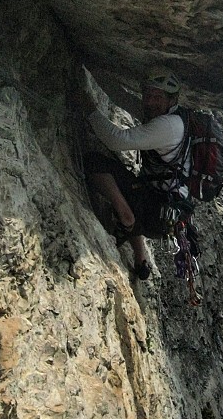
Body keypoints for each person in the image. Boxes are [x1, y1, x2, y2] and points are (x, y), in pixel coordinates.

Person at [80, 67, 191, 280]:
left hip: (157, 212)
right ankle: (140, 258)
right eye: (147, 95)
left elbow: (116, 140)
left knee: (95, 162)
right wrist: (90, 64)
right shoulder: (171, 115)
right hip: (166, 211)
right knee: (136, 186)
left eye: (157, 97)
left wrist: (89, 108)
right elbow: (120, 97)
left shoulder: (167, 126)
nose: (149, 101)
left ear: (172, 99)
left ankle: (126, 217)